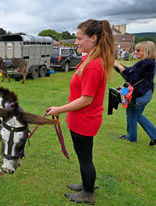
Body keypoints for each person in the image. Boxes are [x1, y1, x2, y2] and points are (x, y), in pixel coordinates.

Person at [47, 19, 114, 204]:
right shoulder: (89, 58)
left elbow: (86, 99)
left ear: (93, 38)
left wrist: (58, 109)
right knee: (85, 157)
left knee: (85, 159)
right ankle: (87, 185)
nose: (75, 42)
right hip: (81, 119)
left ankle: (88, 193)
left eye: (78, 38)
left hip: (84, 120)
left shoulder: (93, 65)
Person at [114, 41, 156, 146]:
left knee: (134, 115)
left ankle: (134, 137)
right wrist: (116, 66)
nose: (135, 52)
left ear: (146, 51)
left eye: (138, 50)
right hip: (146, 93)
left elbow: (130, 76)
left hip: (140, 94)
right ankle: (132, 136)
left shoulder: (145, 63)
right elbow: (130, 71)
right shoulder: (149, 62)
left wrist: (118, 65)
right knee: (135, 114)